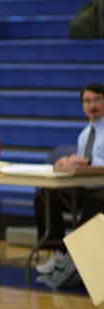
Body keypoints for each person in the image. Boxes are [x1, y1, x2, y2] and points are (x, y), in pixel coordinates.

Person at [34, 82, 104, 274]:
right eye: (87, 101)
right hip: (86, 185)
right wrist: (66, 164)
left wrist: (86, 160)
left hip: (101, 189)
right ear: (82, 106)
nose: (92, 105)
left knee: (95, 201)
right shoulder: (84, 134)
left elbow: (90, 162)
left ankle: (72, 254)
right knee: (46, 196)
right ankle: (56, 252)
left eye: (97, 99)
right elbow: (81, 166)